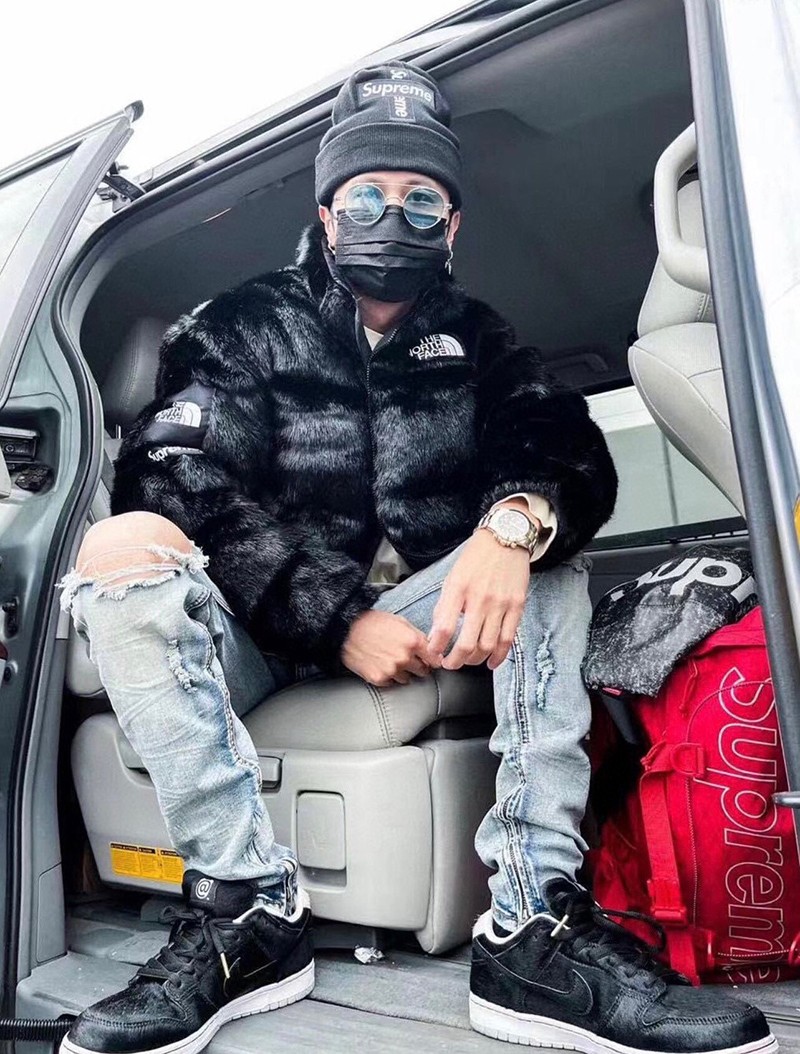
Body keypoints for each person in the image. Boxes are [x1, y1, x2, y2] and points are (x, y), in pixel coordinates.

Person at [59, 61, 775, 1054]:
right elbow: (176, 476)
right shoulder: (244, 326)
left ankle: (529, 925)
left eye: (419, 199)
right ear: (325, 211)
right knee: (120, 545)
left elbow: (561, 447)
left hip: (425, 613)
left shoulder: (478, 338)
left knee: (542, 546)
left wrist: (511, 523)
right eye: (365, 197)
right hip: (260, 627)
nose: (390, 217)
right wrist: (334, 617)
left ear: (452, 224)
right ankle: (248, 911)